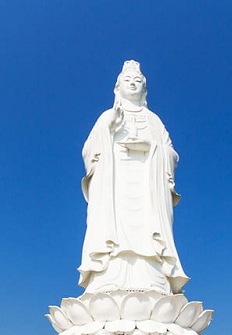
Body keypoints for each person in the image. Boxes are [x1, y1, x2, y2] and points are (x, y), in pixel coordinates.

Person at [78, 60, 188, 295]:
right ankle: (107, 278)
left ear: (144, 90)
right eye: (128, 80)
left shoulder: (154, 121)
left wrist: (151, 146)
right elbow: (89, 151)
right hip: (115, 183)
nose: (133, 84)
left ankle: (153, 279)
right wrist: (107, 130)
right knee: (112, 228)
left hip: (147, 183)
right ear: (117, 88)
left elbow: (171, 154)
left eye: (137, 81)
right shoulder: (107, 116)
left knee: (149, 230)